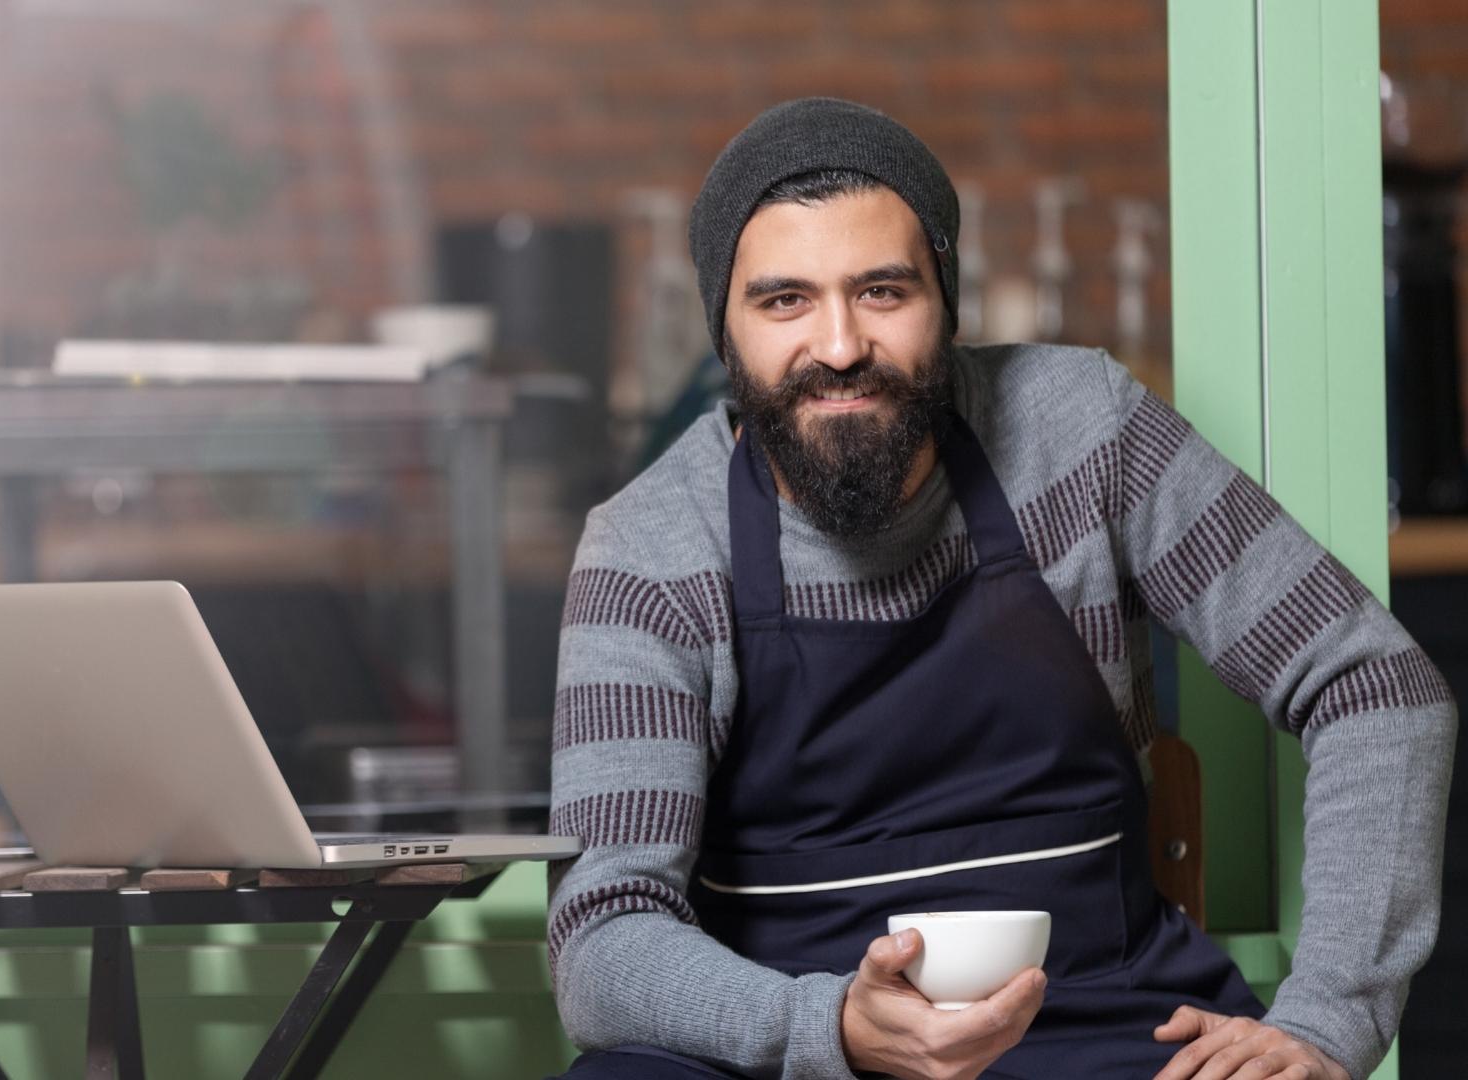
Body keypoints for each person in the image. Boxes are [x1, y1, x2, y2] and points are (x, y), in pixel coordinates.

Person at [545, 98, 1455, 1080]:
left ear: (951, 301)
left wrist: (1329, 1021)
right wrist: (831, 1028)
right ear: (724, 332)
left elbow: (1378, 689)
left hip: (1106, 1025)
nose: (841, 345)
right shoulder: (651, 549)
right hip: (787, 1044)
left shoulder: (1084, 433)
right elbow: (603, 937)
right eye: (784, 302)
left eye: (884, 291)